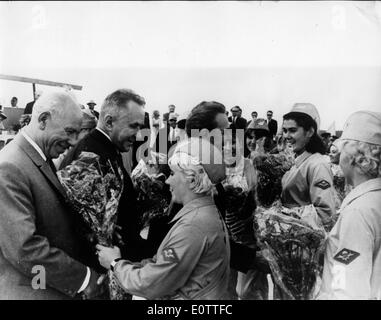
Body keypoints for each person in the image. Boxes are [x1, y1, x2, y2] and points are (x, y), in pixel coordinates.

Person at [0, 91, 105, 299]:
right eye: (70, 131)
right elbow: (25, 249)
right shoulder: (9, 166)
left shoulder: (36, 157)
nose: (74, 141)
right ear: (43, 120)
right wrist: (83, 279)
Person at [96, 138, 230, 299]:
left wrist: (115, 264)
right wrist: (124, 268)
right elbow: (162, 266)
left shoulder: (193, 226)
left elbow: (151, 284)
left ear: (192, 179)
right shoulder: (202, 215)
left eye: (173, 174)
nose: (167, 180)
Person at [60, 89, 150, 264]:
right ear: (109, 122)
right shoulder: (89, 155)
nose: (138, 134)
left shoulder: (105, 149)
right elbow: (89, 231)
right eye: (133, 126)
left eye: (140, 126)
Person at [318, 110, 381, 300]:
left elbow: (347, 290)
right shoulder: (372, 200)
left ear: (356, 156)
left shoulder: (358, 211)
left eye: (342, 148)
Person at [281, 103, 336, 230]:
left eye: (293, 130)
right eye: (284, 130)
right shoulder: (293, 160)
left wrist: (285, 217)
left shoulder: (317, 165)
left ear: (310, 131)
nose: (286, 136)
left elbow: (326, 214)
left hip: (301, 242)